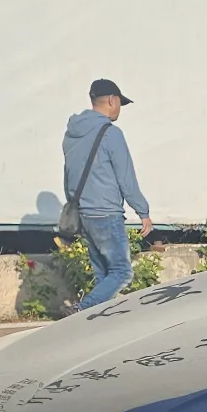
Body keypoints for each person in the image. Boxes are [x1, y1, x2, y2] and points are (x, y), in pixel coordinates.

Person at [62, 78, 153, 309]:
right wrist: (143, 211)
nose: (120, 108)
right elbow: (126, 177)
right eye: (120, 103)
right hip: (106, 214)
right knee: (122, 272)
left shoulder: (72, 134)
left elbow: (69, 174)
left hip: (84, 214)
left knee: (103, 274)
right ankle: (81, 310)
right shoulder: (111, 133)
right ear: (112, 100)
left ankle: (98, 323)